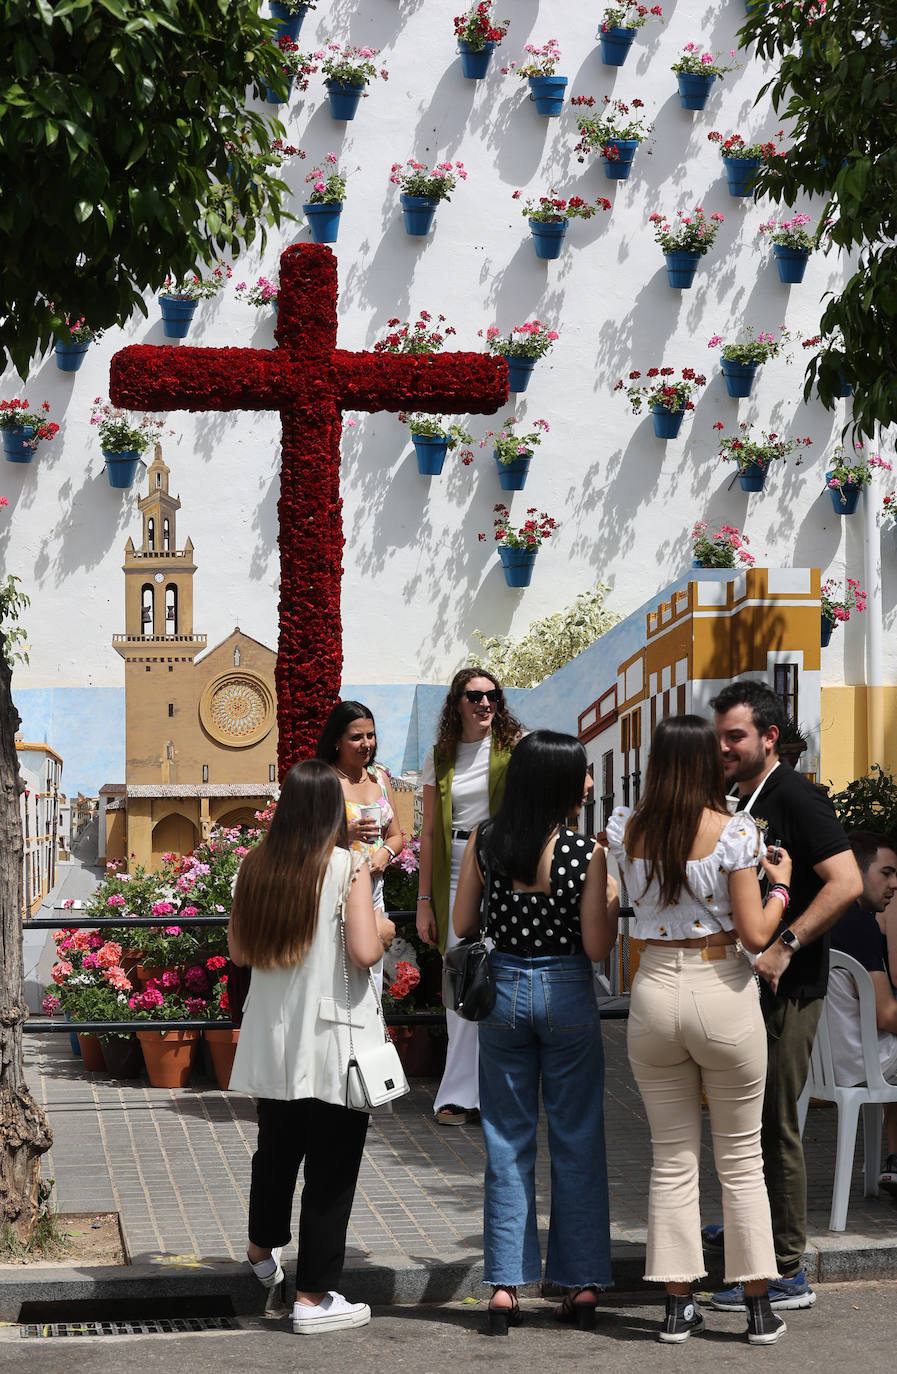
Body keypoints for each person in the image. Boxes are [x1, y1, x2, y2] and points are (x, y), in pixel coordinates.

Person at [607, 715, 792, 1346]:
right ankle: (759, 1307)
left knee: (671, 1156)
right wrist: (783, 887)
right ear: (702, 762)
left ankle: (676, 1304)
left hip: (654, 989)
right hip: (722, 990)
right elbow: (756, 934)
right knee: (741, 1159)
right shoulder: (734, 832)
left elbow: (617, 909)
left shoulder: (626, 829)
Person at [452, 731, 618, 1335]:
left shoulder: (487, 842)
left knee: (506, 1137)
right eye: (581, 773)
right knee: (577, 1137)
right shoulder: (584, 853)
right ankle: (578, 1283)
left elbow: (463, 921)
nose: (589, 783)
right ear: (558, 783)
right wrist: (610, 890)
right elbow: (598, 946)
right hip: (569, 991)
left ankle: (503, 1286)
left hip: (503, 995)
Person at [709, 680, 861, 1315]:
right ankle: (756, 1242)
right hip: (747, 987)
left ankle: (788, 1269)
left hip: (790, 990)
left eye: (735, 737)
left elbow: (847, 881)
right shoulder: (743, 798)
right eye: (718, 736)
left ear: (769, 738)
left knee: (774, 1123)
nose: (723, 747)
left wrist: (786, 945)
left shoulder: (795, 795)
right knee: (746, 1123)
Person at [227, 759, 382, 1335]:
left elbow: (239, 953)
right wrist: (386, 931)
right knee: (331, 1167)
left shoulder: (255, 865)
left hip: (274, 1035)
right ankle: (314, 1298)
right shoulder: (347, 867)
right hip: (333, 1037)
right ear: (330, 810)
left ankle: (260, 1252)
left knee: (277, 1149)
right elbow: (365, 953)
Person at [416, 668, 522, 1126]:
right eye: (474, 695)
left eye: (492, 695)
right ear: (456, 702)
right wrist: (423, 900)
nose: (485, 703)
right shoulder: (440, 755)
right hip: (456, 868)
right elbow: (429, 832)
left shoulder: (514, 746)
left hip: (502, 867)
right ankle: (458, 1093)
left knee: (502, 977)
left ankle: (498, 1092)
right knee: (461, 976)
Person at [829, 831, 897, 1195]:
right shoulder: (859, 924)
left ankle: (894, 1162)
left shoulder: (825, 918)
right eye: (885, 873)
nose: (894, 884)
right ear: (857, 870)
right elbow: (885, 1015)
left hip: (827, 1063)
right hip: (862, 1062)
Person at [315, 700, 403, 977]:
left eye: (370, 735)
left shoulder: (380, 778)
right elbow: (305, 839)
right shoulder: (324, 780)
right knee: (340, 975)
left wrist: (385, 854)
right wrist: (345, 833)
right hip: (338, 891)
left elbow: (397, 835)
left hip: (375, 890)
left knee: (372, 975)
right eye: (356, 737)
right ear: (337, 741)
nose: (366, 743)